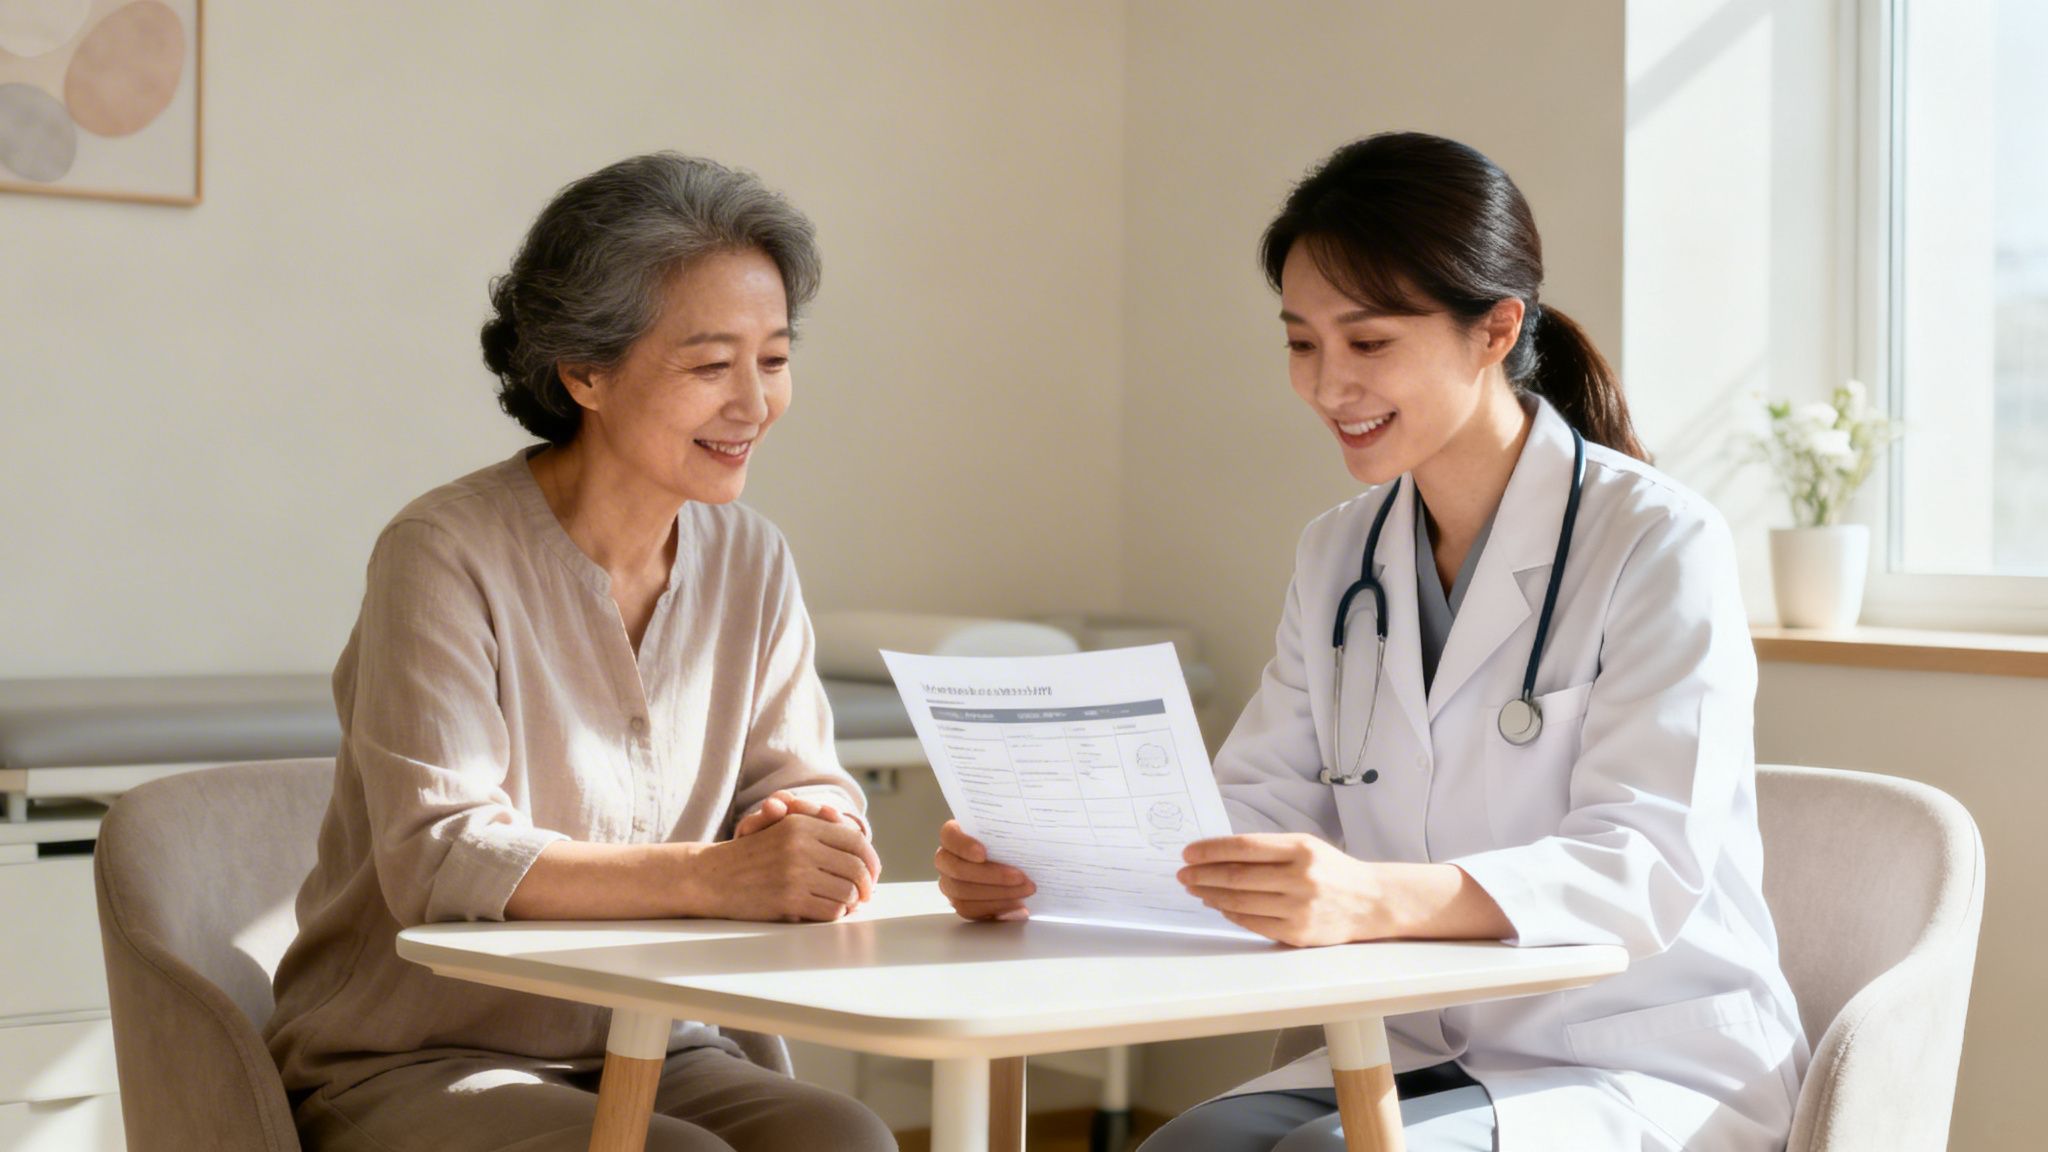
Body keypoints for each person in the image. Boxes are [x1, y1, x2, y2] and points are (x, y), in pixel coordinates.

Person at [935, 133, 1808, 1151]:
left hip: (1632, 1053)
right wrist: (1044, 866)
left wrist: (1363, 897)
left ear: (1493, 330)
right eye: (1300, 342)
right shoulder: (1338, 556)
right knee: (1182, 1148)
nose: (1323, 384)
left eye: (1367, 342)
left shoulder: (1655, 541)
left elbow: (1640, 866)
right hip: (1414, 1044)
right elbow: (1258, 805)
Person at [265, 153, 897, 1152]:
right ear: (585, 371)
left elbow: (800, 775)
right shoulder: (443, 552)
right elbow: (441, 857)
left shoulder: (751, 559)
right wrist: (719, 879)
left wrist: (809, 823)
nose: (753, 403)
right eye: (708, 365)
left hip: (660, 1044)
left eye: (772, 359)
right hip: (420, 1056)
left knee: (845, 1139)